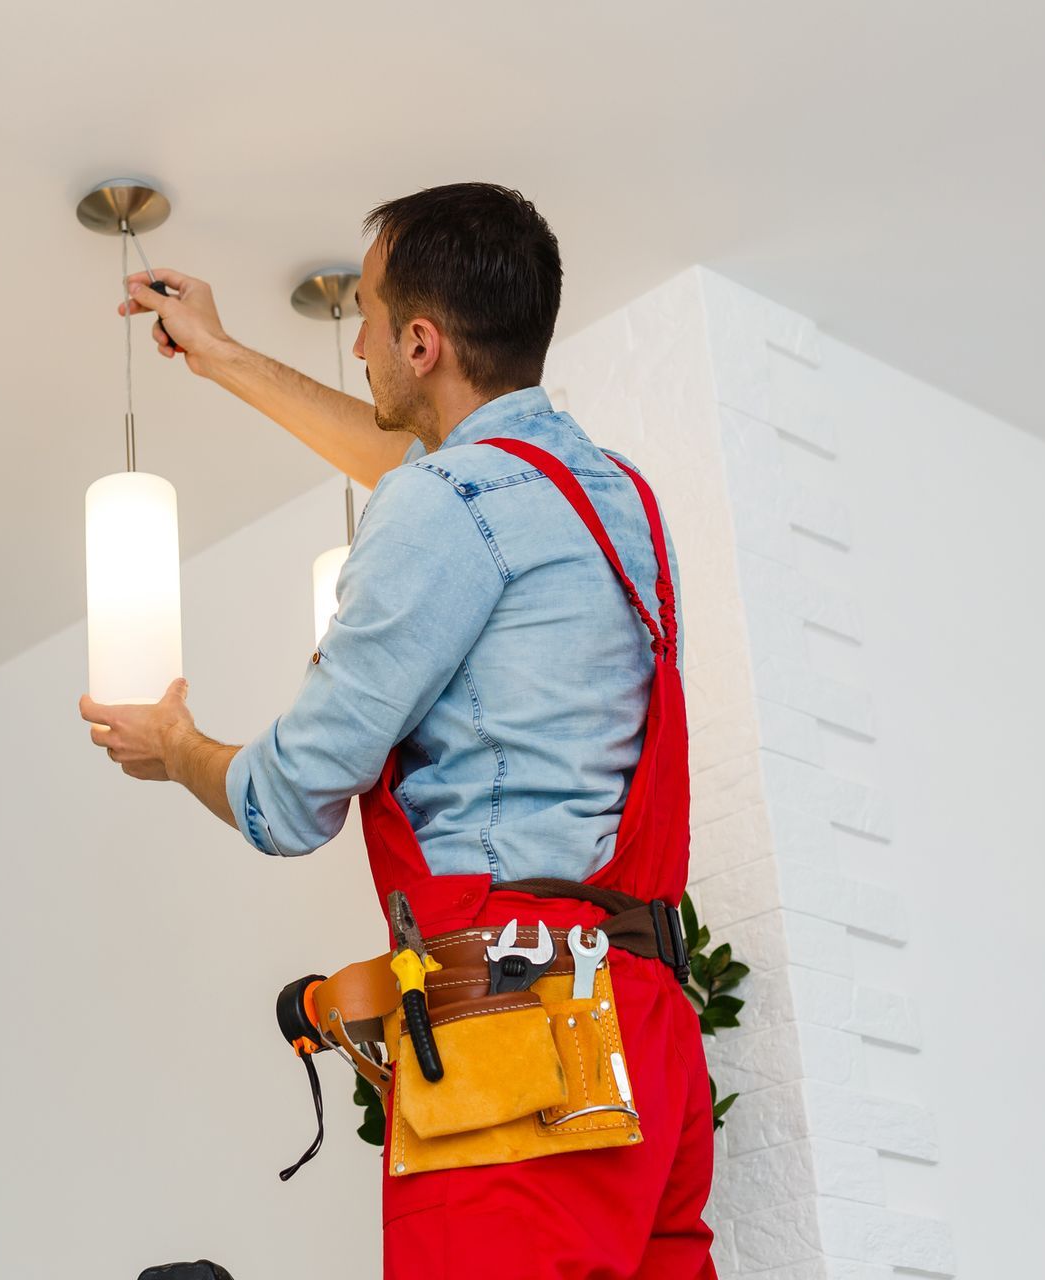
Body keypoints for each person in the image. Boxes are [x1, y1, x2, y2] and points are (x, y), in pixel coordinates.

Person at [79, 183, 716, 1280]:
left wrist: (177, 745)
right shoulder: (609, 496)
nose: (358, 340)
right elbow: (437, 484)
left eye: (368, 315)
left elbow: (284, 802)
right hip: (647, 1033)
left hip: (517, 1033)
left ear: (422, 342)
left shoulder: (446, 510)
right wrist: (225, 354)